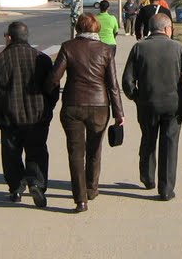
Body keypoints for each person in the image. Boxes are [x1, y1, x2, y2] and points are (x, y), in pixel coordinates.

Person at [49, 13, 125, 213]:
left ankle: (80, 199)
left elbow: (54, 77)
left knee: (75, 152)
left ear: (78, 28)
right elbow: (113, 85)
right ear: (96, 28)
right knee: (94, 149)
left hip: (73, 104)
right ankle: (92, 188)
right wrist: (119, 112)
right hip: (100, 106)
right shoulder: (105, 50)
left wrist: (48, 97)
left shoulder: (68, 47)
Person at [122, 13, 182, 201]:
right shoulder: (178, 48)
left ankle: (148, 178)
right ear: (167, 29)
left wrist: (135, 96)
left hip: (147, 104)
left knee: (148, 140)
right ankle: (165, 189)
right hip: (173, 106)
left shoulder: (139, 47)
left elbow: (127, 80)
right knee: (169, 145)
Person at [0, 21, 58, 208]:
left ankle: (16, 187)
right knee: (37, 151)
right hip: (37, 116)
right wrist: (48, 107)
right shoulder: (42, 59)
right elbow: (53, 88)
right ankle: (37, 183)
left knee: (11, 154)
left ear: (9, 37)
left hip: (9, 116)